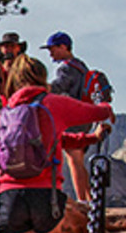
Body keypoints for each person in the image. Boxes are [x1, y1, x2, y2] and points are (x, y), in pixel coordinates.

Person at [0, 54, 113, 233]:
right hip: (44, 193)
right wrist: (105, 106)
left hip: (9, 193)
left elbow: (55, 139)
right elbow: (93, 111)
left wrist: (89, 139)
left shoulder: (7, 111)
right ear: (42, 77)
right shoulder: (53, 104)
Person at [40, 31, 100, 203]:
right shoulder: (81, 66)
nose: (50, 53)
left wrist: (37, 88)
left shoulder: (67, 67)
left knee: (74, 159)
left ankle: (83, 201)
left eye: (52, 49)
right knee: (78, 159)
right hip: (85, 117)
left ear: (63, 47)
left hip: (73, 118)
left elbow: (58, 87)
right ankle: (89, 198)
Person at [0, 31, 26, 103]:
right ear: (0, 49)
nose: (9, 50)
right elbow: (0, 91)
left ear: (19, 48)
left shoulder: (25, 69)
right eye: (6, 47)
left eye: (12, 46)